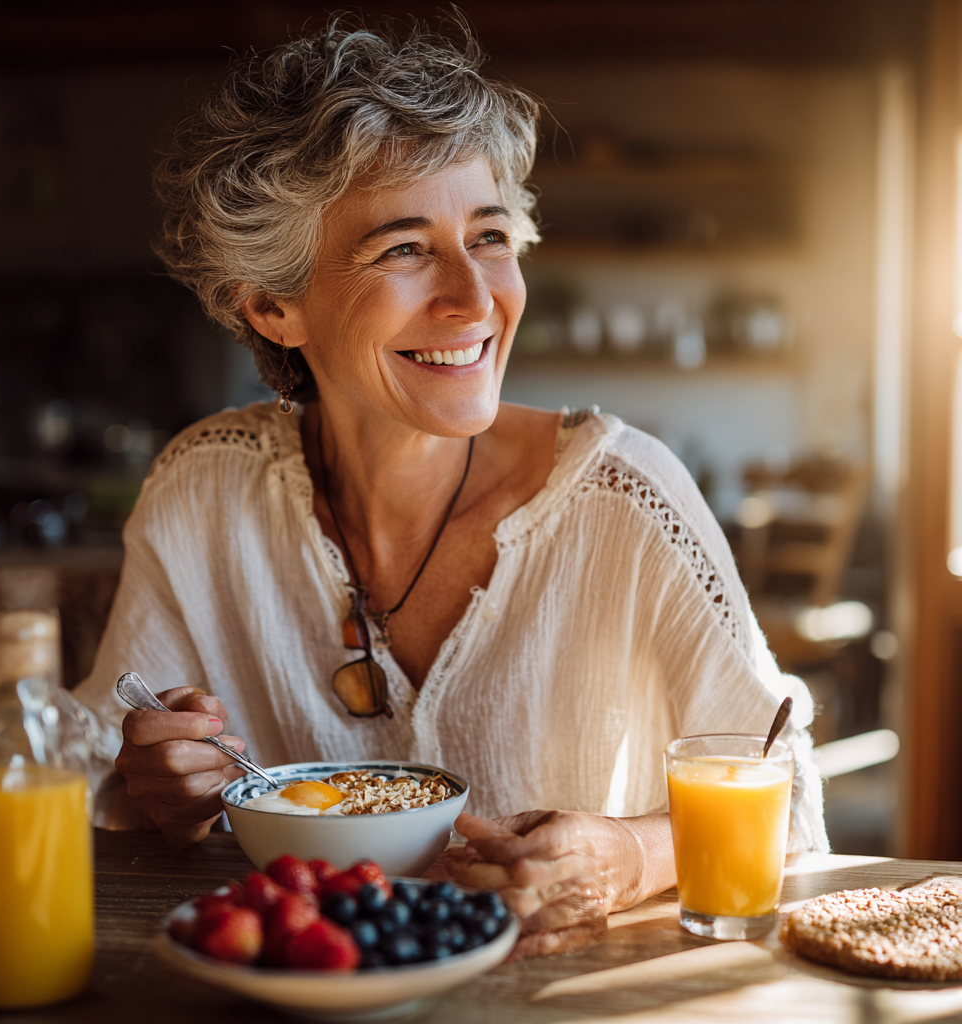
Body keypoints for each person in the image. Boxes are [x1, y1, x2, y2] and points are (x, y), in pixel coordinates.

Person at [74, 18, 826, 958]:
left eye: (491, 235)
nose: (476, 299)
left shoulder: (624, 500)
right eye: (404, 250)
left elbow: (784, 794)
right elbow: (89, 773)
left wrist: (626, 857)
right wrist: (153, 788)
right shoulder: (203, 495)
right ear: (272, 304)